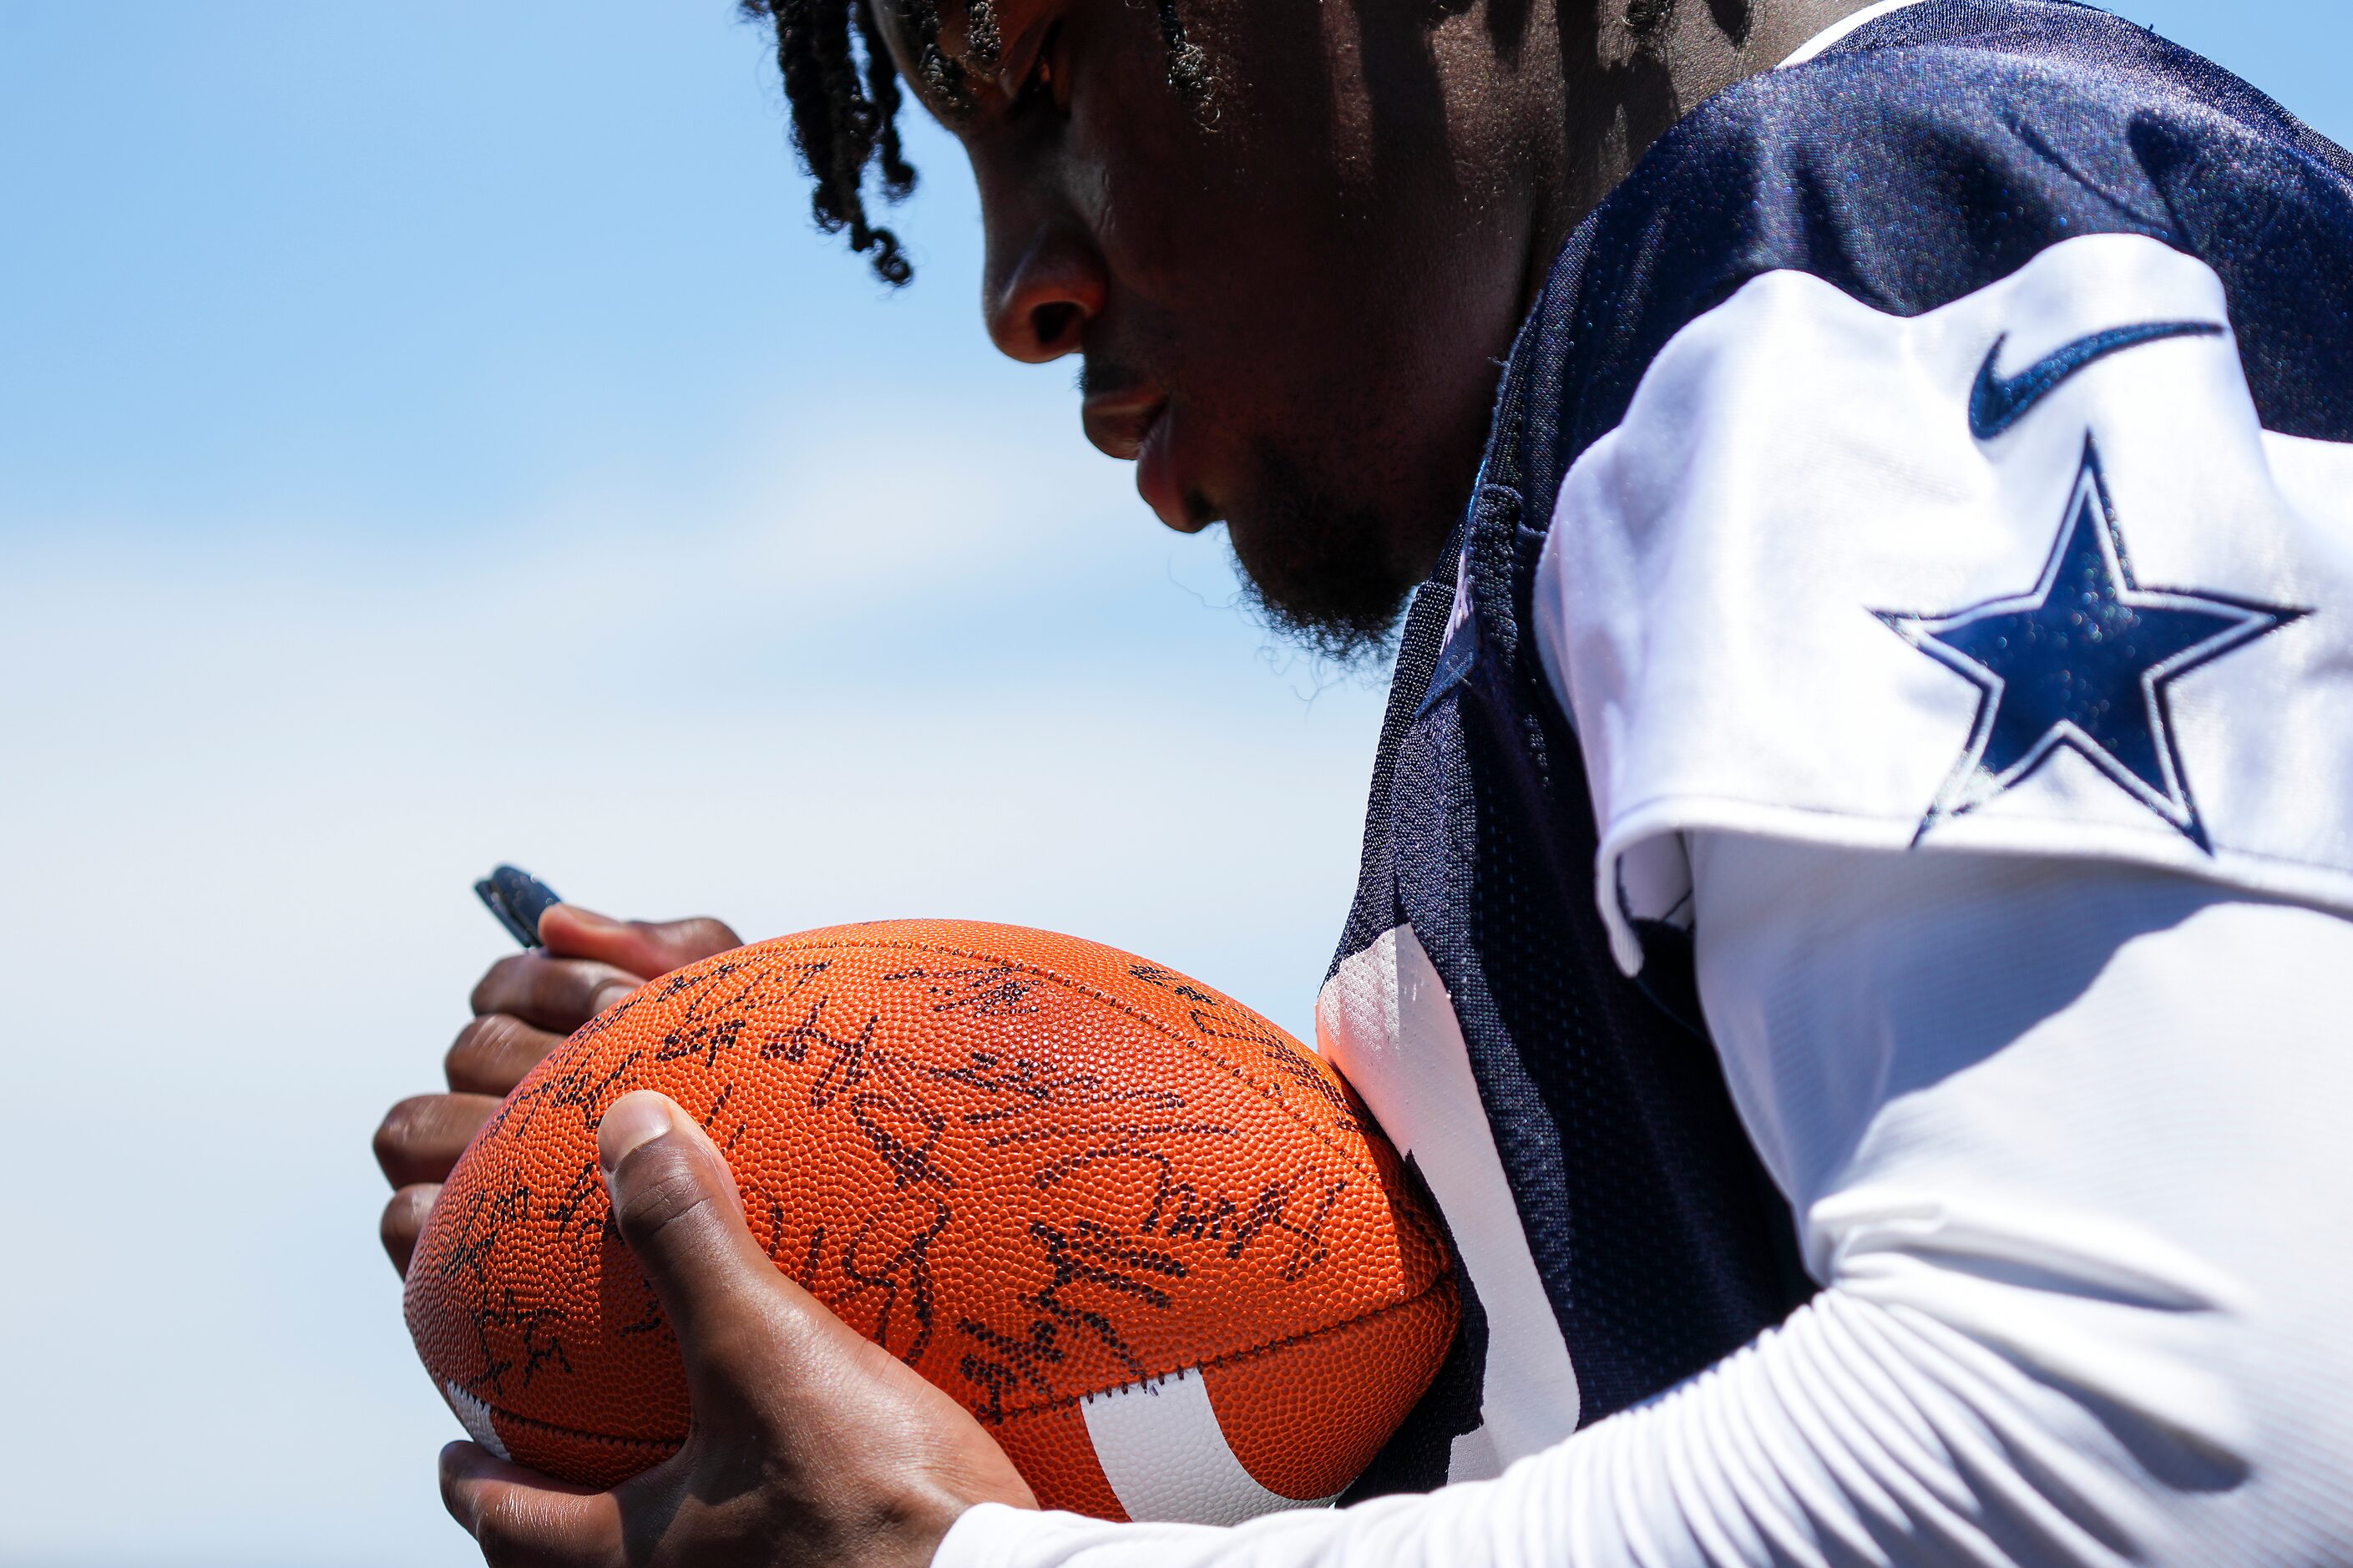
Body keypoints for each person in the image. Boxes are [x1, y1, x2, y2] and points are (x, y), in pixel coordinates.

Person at [372, 0, 2353, 1561]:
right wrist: (882, 1171)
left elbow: (2175, 1448)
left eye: (1042, 65)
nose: (1015, 292)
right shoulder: (1634, 429)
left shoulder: (1850, 220)